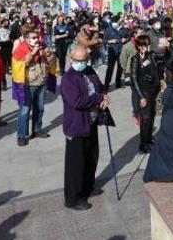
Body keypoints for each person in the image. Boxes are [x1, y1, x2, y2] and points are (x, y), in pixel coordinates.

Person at [60, 45, 110, 211]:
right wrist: (98, 98)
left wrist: (104, 97)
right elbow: (77, 101)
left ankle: (87, 187)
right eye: (78, 60)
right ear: (71, 59)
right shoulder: (68, 79)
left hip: (92, 122)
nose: (81, 63)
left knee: (91, 157)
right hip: (76, 125)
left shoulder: (89, 71)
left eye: (84, 60)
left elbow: (100, 87)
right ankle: (73, 198)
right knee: (76, 163)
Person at [11, 27, 58, 146]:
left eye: (37, 37)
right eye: (33, 37)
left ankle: (37, 130)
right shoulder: (20, 49)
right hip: (27, 84)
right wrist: (33, 52)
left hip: (41, 82)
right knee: (25, 110)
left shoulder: (42, 46)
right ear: (27, 39)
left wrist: (49, 55)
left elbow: (52, 61)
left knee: (40, 108)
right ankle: (21, 135)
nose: (37, 39)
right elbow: (21, 64)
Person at [129, 35, 161, 153]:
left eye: (147, 44)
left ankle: (149, 139)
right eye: (144, 45)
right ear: (138, 46)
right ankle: (143, 144)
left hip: (153, 90)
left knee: (152, 115)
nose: (146, 47)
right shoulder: (135, 59)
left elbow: (161, 57)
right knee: (145, 118)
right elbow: (134, 79)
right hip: (144, 92)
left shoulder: (151, 55)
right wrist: (141, 97)